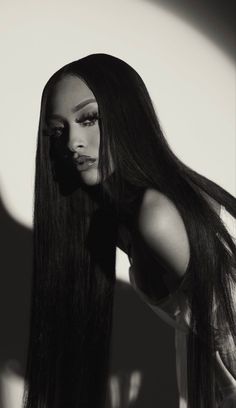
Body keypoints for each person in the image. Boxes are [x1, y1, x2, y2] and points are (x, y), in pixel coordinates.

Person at [22, 53, 236, 408]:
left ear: (126, 116)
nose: (73, 142)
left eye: (89, 118)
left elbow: (228, 331)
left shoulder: (156, 215)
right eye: (58, 131)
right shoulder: (117, 219)